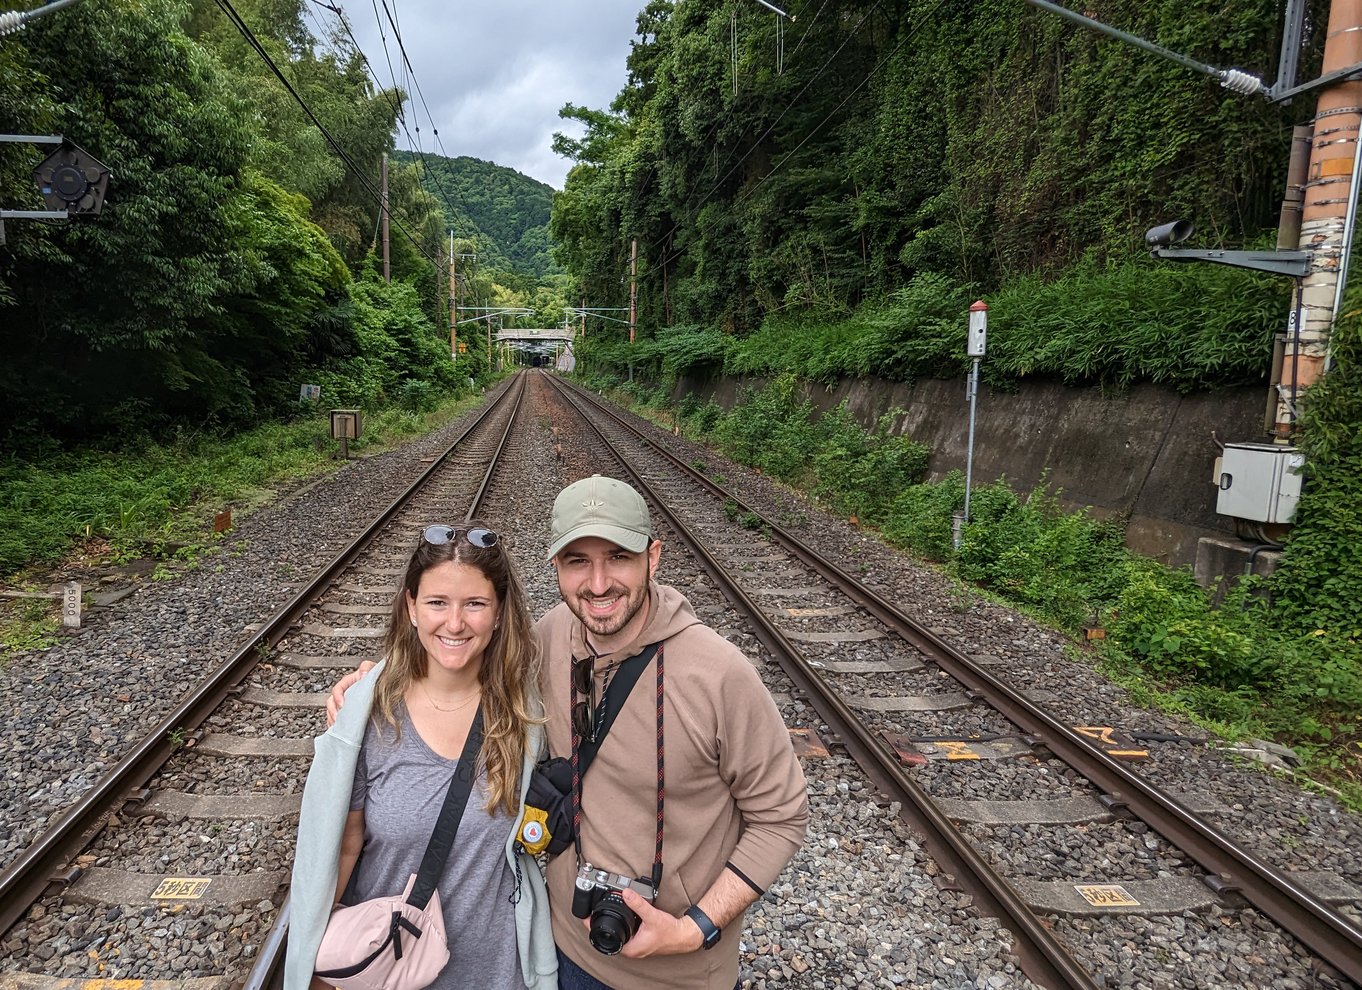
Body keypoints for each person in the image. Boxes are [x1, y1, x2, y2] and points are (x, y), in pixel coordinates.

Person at [330, 476, 810, 990]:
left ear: (653, 557)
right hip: (559, 954)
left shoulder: (719, 675)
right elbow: (460, 644)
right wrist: (372, 682)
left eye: (619, 557)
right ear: (556, 566)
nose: (599, 584)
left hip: (681, 975)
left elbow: (781, 816)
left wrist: (696, 929)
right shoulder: (549, 639)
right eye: (578, 561)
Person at [289, 522, 558, 990]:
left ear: (498, 614)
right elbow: (344, 849)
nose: (454, 624)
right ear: (411, 607)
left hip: (494, 975)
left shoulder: (526, 715)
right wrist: (316, 965)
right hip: (388, 971)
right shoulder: (369, 719)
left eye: (474, 604)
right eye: (437, 603)